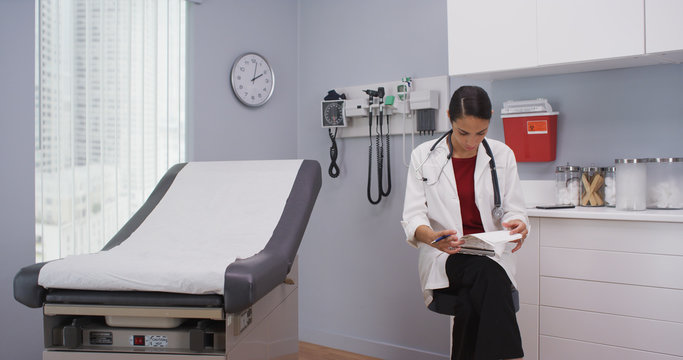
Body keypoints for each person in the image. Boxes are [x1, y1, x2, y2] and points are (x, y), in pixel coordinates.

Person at [401, 85, 528, 360]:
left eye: (481, 133)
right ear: (449, 117)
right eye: (463, 133)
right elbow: (413, 217)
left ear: (490, 119)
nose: (472, 142)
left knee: (474, 299)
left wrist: (518, 224)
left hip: (491, 253)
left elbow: (513, 210)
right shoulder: (423, 156)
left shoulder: (502, 155)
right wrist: (434, 237)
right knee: (489, 276)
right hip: (447, 253)